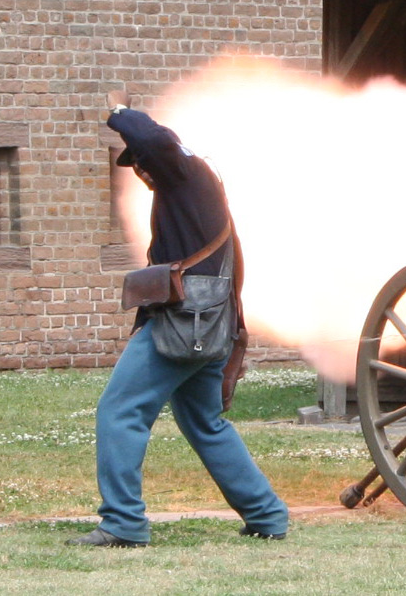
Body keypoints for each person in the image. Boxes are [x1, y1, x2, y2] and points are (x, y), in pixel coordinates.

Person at [67, 91, 288, 547]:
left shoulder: (182, 172)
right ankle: (267, 515)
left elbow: (152, 138)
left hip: (184, 325)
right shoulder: (197, 184)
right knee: (205, 423)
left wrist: (117, 113)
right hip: (210, 323)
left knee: (119, 410)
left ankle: (123, 523)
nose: (142, 173)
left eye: (142, 164)